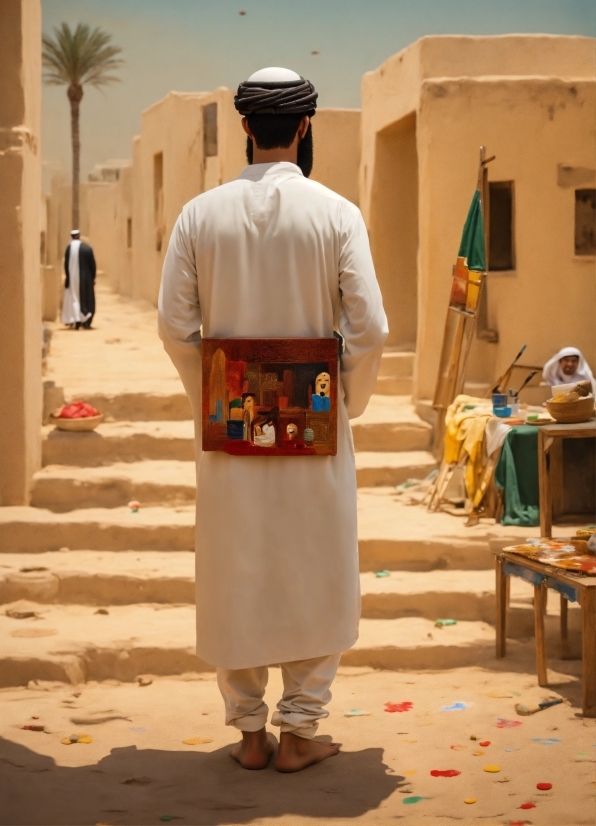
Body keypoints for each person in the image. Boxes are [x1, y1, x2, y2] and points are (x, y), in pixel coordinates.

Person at [158, 66, 388, 773]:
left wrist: (226, 389)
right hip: (314, 421)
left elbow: (173, 323)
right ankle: (301, 731)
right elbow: (371, 328)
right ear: (305, 125)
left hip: (233, 426)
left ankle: (250, 734)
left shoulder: (200, 215)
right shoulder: (337, 214)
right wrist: (341, 396)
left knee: (236, 569)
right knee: (317, 568)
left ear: (245, 126)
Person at [61, 230, 97, 329]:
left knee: (74, 299)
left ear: (71, 237)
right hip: (85, 280)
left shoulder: (68, 249)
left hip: (72, 280)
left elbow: (65, 265)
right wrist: (93, 278)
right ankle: (85, 322)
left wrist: (68, 278)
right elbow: (93, 266)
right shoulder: (87, 249)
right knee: (86, 299)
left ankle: (75, 320)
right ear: (79, 236)